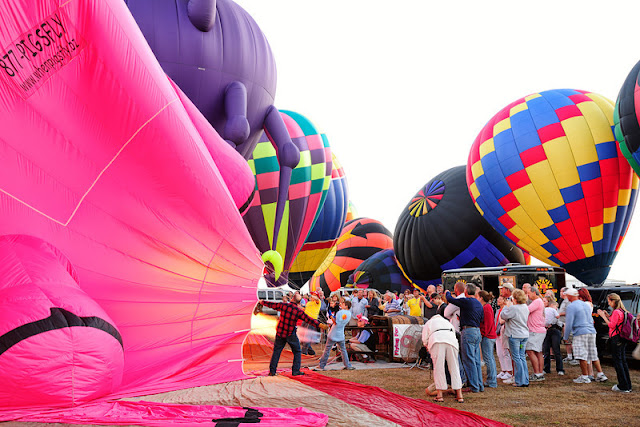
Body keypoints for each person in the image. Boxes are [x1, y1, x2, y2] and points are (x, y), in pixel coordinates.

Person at [260, 295, 328, 376]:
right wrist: (319, 325)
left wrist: (262, 302)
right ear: (299, 302)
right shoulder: (298, 311)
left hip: (280, 333)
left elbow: (272, 305)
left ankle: (272, 371)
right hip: (290, 334)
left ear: (292, 299)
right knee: (297, 351)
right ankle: (295, 371)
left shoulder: (284, 305)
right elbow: (308, 319)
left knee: (276, 352)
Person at [562, 288, 607, 384]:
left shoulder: (571, 307)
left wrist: (565, 337)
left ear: (570, 296)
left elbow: (569, 323)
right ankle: (600, 374)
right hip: (591, 330)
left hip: (580, 331)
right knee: (593, 353)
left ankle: (585, 376)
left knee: (581, 355)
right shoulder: (585, 304)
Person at [445, 283, 484, 393]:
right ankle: (479, 385)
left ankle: (473, 386)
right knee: (476, 360)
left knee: (468, 360)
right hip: (477, 330)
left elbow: (450, 299)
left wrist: (447, 292)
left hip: (468, 331)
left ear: (466, 292)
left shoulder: (466, 301)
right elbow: (481, 318)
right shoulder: (478, 304)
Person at [422, 314, 464, 403]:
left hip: (437, 340)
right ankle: (460, 395)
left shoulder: (429, 322)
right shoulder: (447, 322)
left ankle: (440, 395)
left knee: (438, 368)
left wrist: (427, 346)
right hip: (451, 341)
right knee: (454, 367)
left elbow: (424, 338)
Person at [597, 293, 632, 392]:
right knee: (623, 361)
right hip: (622, 338)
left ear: (613, 301)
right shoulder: (621, 311)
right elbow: (616, 323)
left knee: (618, 362)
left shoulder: (616, 311)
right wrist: (608, 316)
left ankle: (623, 385)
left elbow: (612, 325)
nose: (608, 303)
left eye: (609, 301)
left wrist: (603, 316)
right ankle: (627, 384)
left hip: (616, 338)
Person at [499, 289, 529, 387]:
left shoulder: (513, 308)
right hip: (524, 334)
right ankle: (525, 379)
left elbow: (503, 316)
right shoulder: (525, 307)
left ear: (514, 298)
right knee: (522, 357)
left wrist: (507, 306)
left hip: (515, 335)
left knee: (516, 358)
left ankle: (520, 380)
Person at [315, 299, 355, 371]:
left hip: (334, 332)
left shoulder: (340, 312)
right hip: (341, 334)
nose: (341, 305)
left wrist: (330, 315)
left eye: (342, 304)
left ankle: (322, 365)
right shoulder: (349, 314)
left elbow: (335, 322)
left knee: (327, 349)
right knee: (343, 350)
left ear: (346, 306)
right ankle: (347, 365)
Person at [477, 290, 497, 388]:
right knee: (489, 358)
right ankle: (491, 379)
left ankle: (492, 380)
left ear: (481, 297)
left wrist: (483, 334)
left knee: (488, 358)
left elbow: (488, 324)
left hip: (488, 336)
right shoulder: (486, 307)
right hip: (489, 335)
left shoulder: (486, 308)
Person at [525, 286, 546, 381]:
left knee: (530, 351)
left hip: (535, 330)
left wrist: (524, 301)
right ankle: (539, 373)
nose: (527, 295)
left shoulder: (537, 302)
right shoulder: (539, 301)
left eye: (528, 293)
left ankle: (537, 373)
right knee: (538, 352)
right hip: (538, 329)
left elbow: (526, 310)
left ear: (534, 292)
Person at [542, 295, 564, 376]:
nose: (543, 302)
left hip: (554, 330)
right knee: (546, 350)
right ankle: (546, 368)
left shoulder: (553, 309)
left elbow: (557, 319)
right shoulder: (542, 310)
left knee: (556, 350)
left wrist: (551, 323)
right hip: (546, 331)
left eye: (544, 301)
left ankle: (560, 369)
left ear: (549, 302)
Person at [494, 296, 513, 382]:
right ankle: (503, 369)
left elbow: (502, 321)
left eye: (501, 299)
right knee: (499, 352)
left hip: (503, 331)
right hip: (497, 332)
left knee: (505, 351)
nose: (498, 300)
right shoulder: (498, 310)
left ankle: (509, 370)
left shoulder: (506, 310)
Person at [557, 287, 577, 366]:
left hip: (567, 322)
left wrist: (560, 314)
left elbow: (569, 312)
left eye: (561, 291)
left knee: (570, 340)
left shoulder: (568, 302)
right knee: (567, 340)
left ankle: (575, 356)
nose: (560, 293)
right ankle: (569, 356)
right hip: (562, 323)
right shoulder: (563, 301)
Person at [301, 291, 322, 355]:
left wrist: (312, 296)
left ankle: (304, 353)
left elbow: (317, 299)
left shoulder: (318, 302)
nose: (312, 296)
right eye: (312, 295)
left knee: (307, 337)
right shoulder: (309, 302)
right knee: (302, 336)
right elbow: (304, 309)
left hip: (312, 320)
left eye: (314, 295)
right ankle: (311, 352)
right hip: (305, 320)